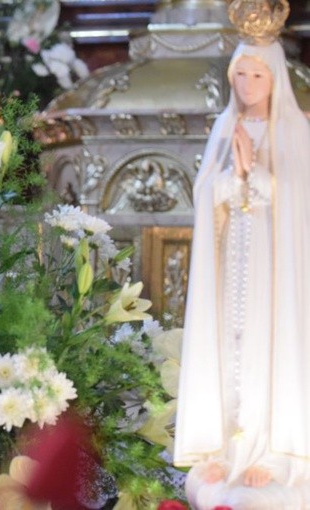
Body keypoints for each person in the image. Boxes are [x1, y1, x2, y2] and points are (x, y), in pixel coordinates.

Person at [174, 37, 310, 508]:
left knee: (267, 348)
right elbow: (206, 191)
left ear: (275, 78)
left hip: (275, 269)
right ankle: (226, 447)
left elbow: (300, 199)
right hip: (232, 262)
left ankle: (271, 452)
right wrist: (234, 178)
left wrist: (256, 174)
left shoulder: (294, 128)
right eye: (241, 74)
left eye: (258, 75)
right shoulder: (224, 124)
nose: (248, 84)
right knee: (229, 345)